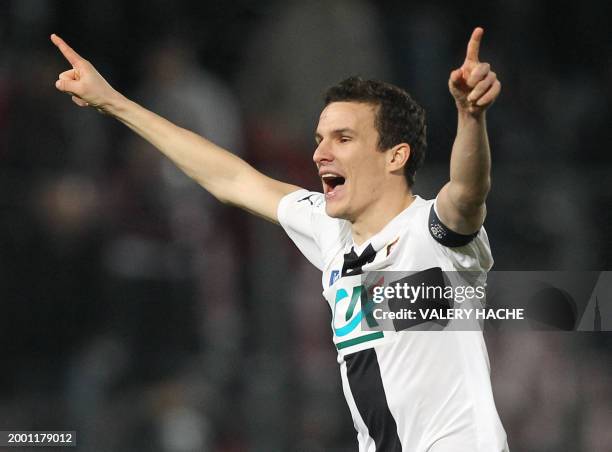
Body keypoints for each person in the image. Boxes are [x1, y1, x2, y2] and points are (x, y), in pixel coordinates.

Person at [51, 27, 506, 451]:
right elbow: (230, 177)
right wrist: (113, 101)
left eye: (343, 138)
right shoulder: (332, 231)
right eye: (319, 138)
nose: (320, 152)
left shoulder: (432, 235)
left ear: (395, 156)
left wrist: (471, 116)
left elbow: (467, 191)